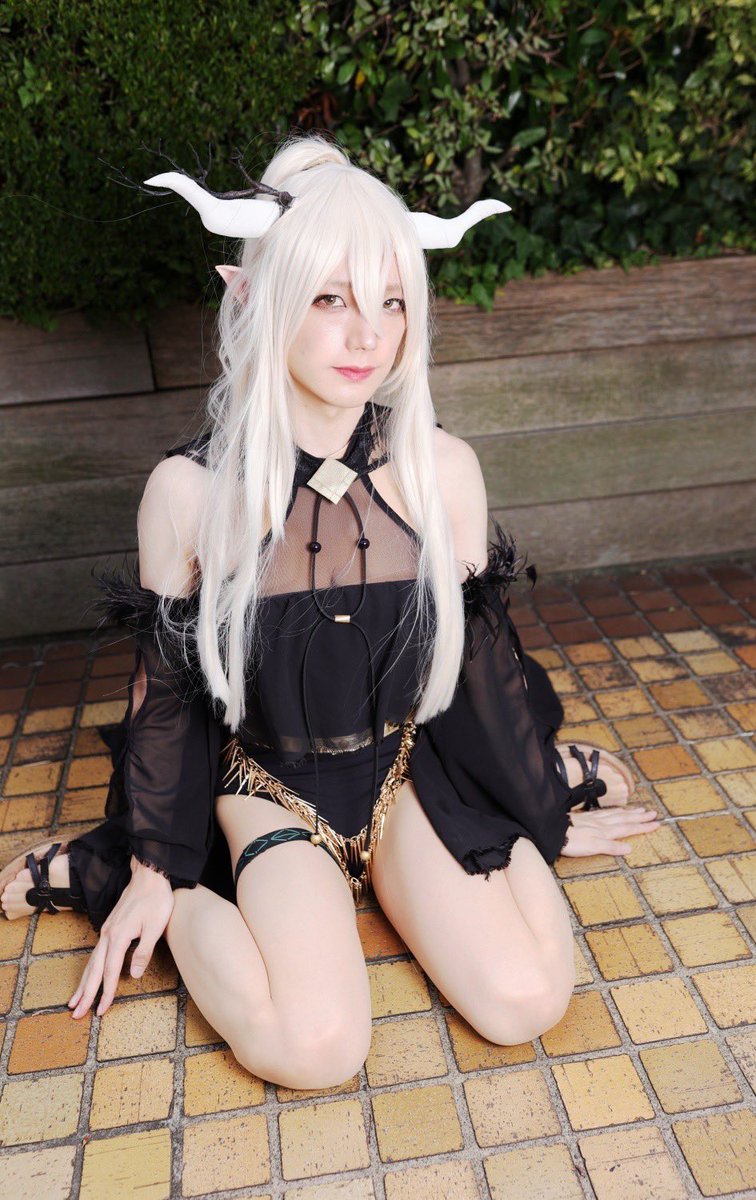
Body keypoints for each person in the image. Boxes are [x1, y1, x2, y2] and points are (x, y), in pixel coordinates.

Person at [0, 134, 660, 1089]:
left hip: (402, 772)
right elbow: (169, 703)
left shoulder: (443, 471)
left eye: (391, 300)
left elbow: (481, 666)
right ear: (255, 297)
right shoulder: (189, 493)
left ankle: (541, 786)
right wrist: (149, 872)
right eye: (329, 299)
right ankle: (123, 883)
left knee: (526, 1002)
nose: (368, 336)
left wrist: (537, 808)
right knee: (316, 1050)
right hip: (267, 789)